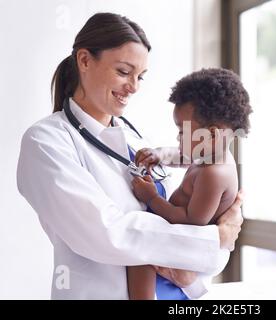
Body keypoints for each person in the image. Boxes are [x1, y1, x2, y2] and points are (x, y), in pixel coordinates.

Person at [16, 12, 243, 300]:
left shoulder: (138, 139)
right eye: (124, 72)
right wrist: (215, 239)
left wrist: (213, 244)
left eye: (140, 77)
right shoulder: (46, 141)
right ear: (84, 60)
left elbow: (200, 227)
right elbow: (107, 233)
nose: (134, 87)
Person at [127, 68, 252, 299]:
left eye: (181, 130)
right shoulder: (210, 155)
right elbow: (183, 157)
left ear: (212, 135)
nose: (178, 138)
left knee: (140, 256)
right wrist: (159, 154)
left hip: (192, 247)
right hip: (189, 243)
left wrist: (151, 197)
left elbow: (192, 220)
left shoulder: (214, 173)